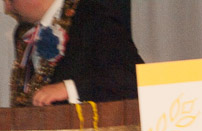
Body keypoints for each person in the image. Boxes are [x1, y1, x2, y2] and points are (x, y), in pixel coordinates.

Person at [5, 0, 143, 107]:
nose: (7, 8)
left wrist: (70, 89)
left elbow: (131, 78)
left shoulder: (94, 17)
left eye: (10, 0)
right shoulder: (23, 33)